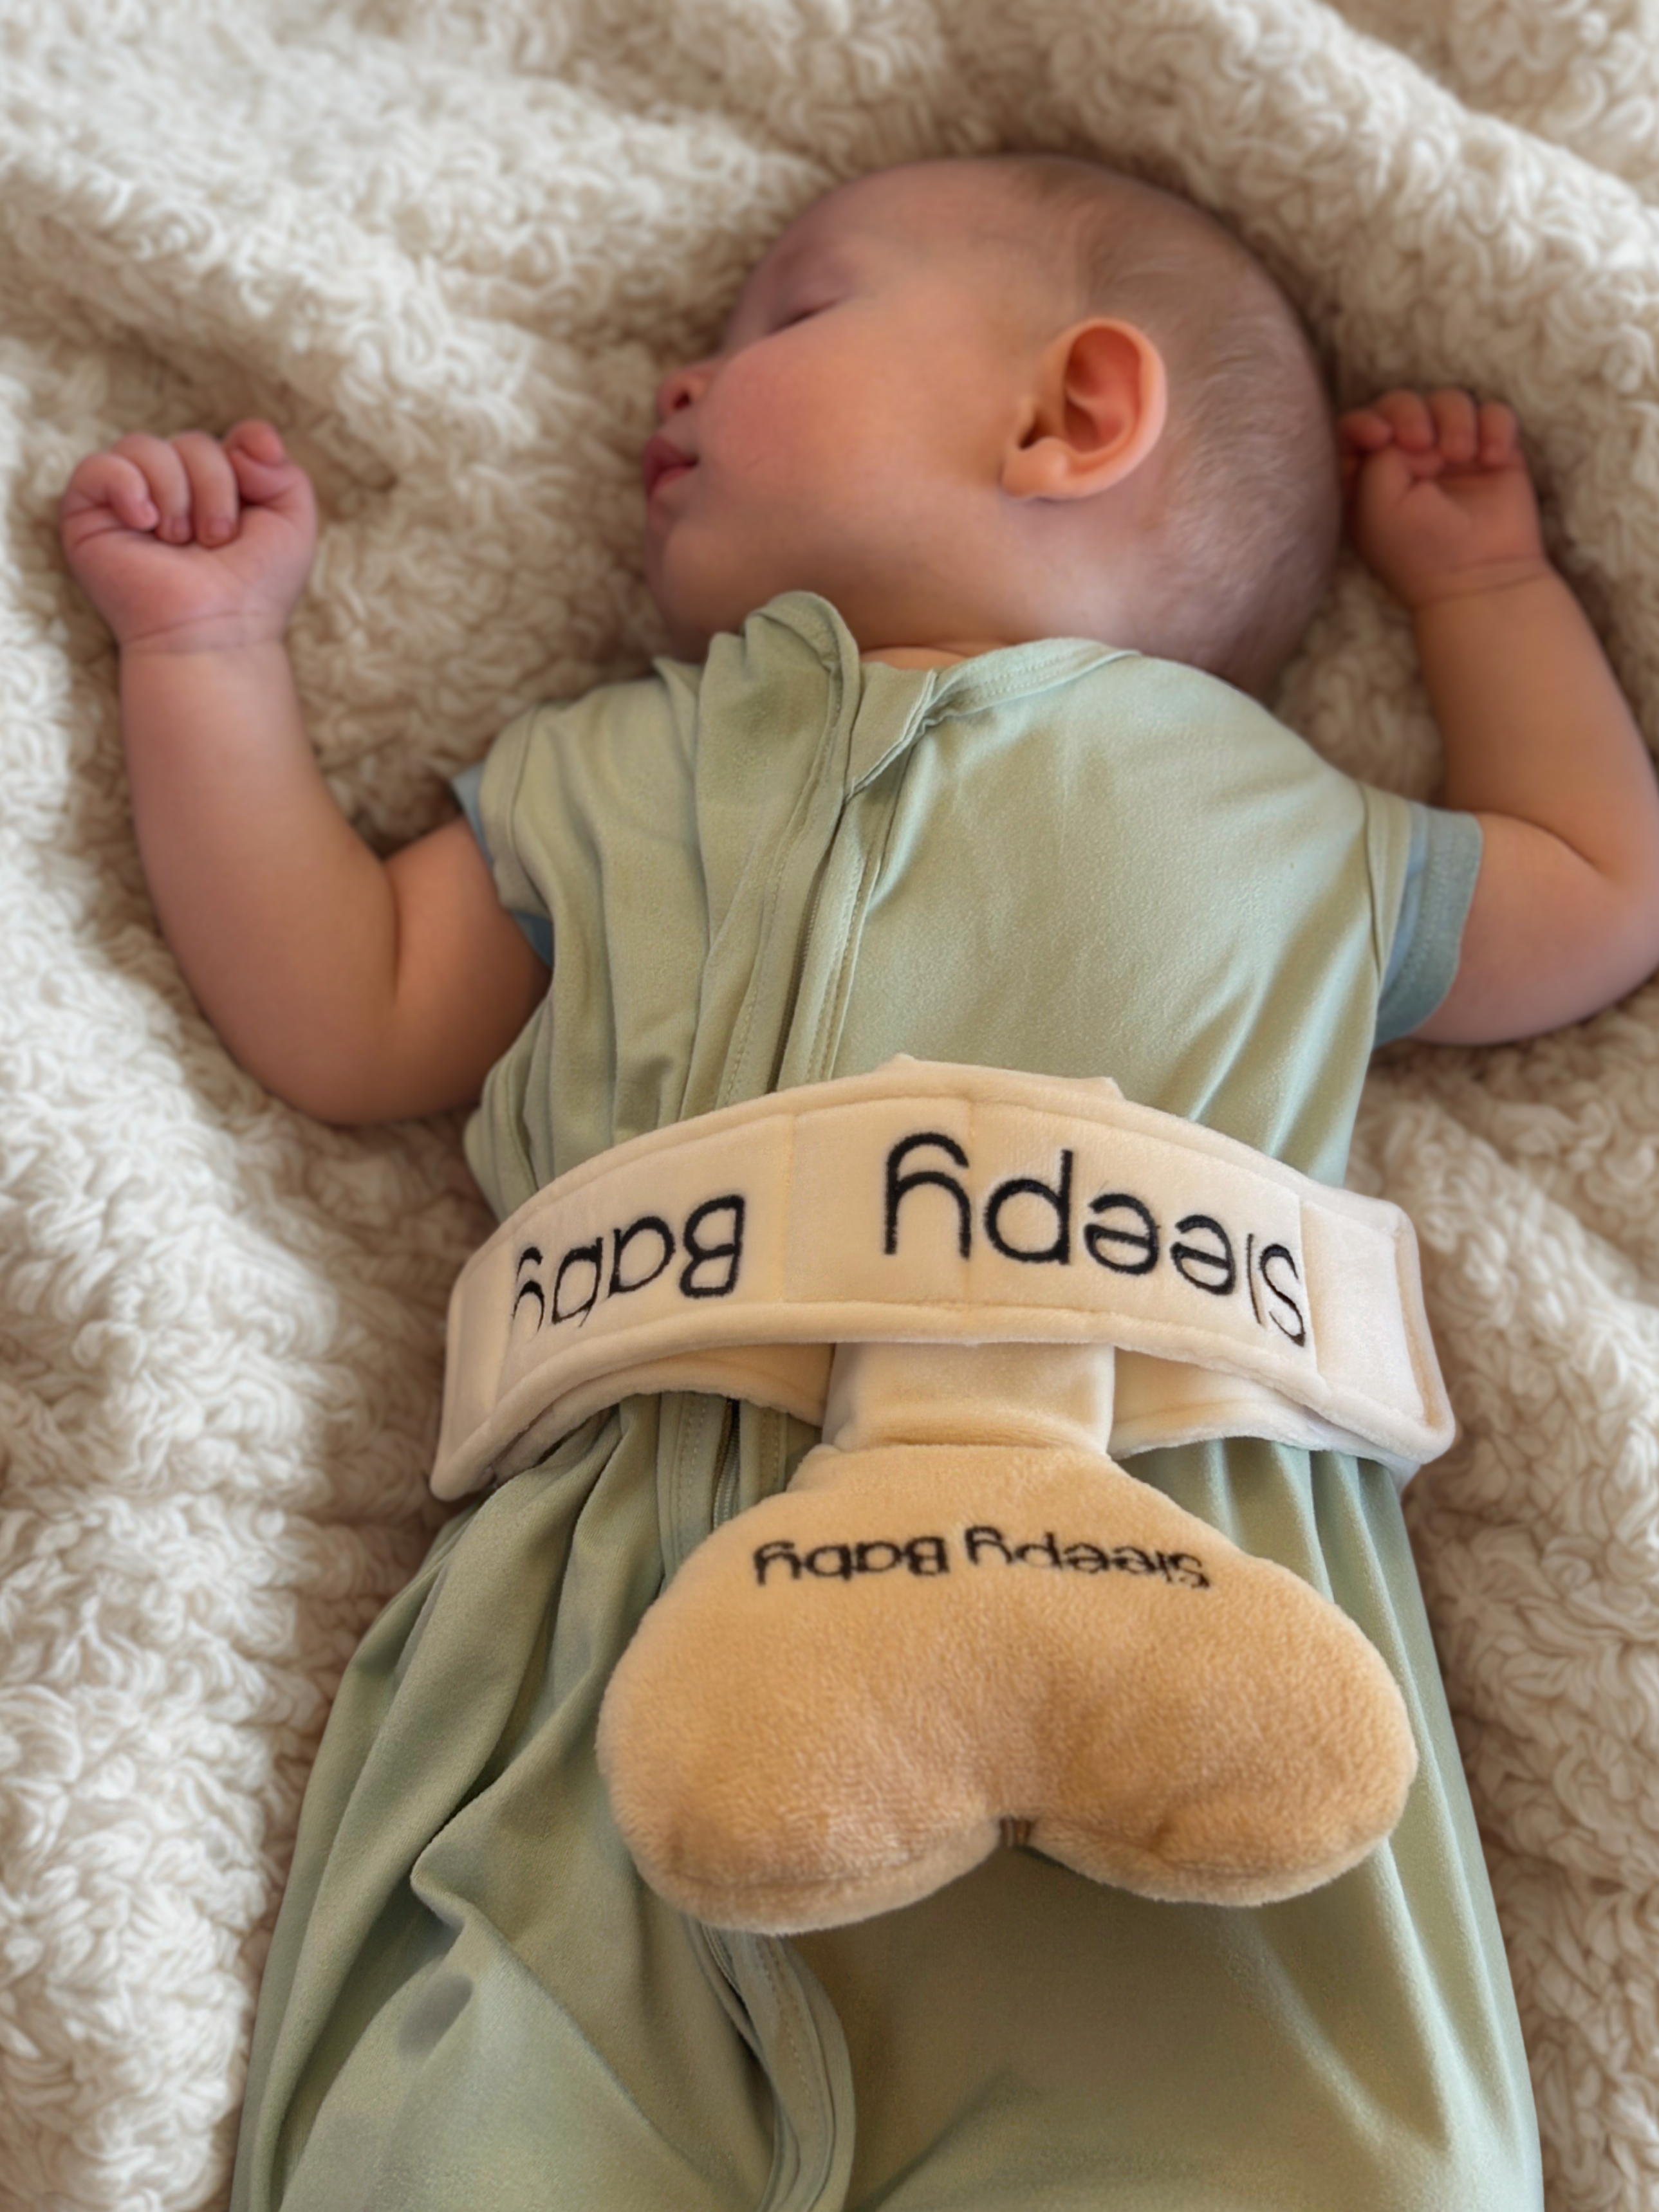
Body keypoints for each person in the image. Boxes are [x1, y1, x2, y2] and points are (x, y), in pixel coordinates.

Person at [61, 151, 1659, 2211]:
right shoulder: (609, 769)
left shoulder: (1285, 818)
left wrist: (1486, 596)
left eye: (792, 316)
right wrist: (208, 656)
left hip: (1178, 1623)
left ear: (1071, 412)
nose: (676, 383)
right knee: (461, 2122)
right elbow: (347, 1008)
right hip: (608, 1656)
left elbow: (1597, 889)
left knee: (1309, 2147)